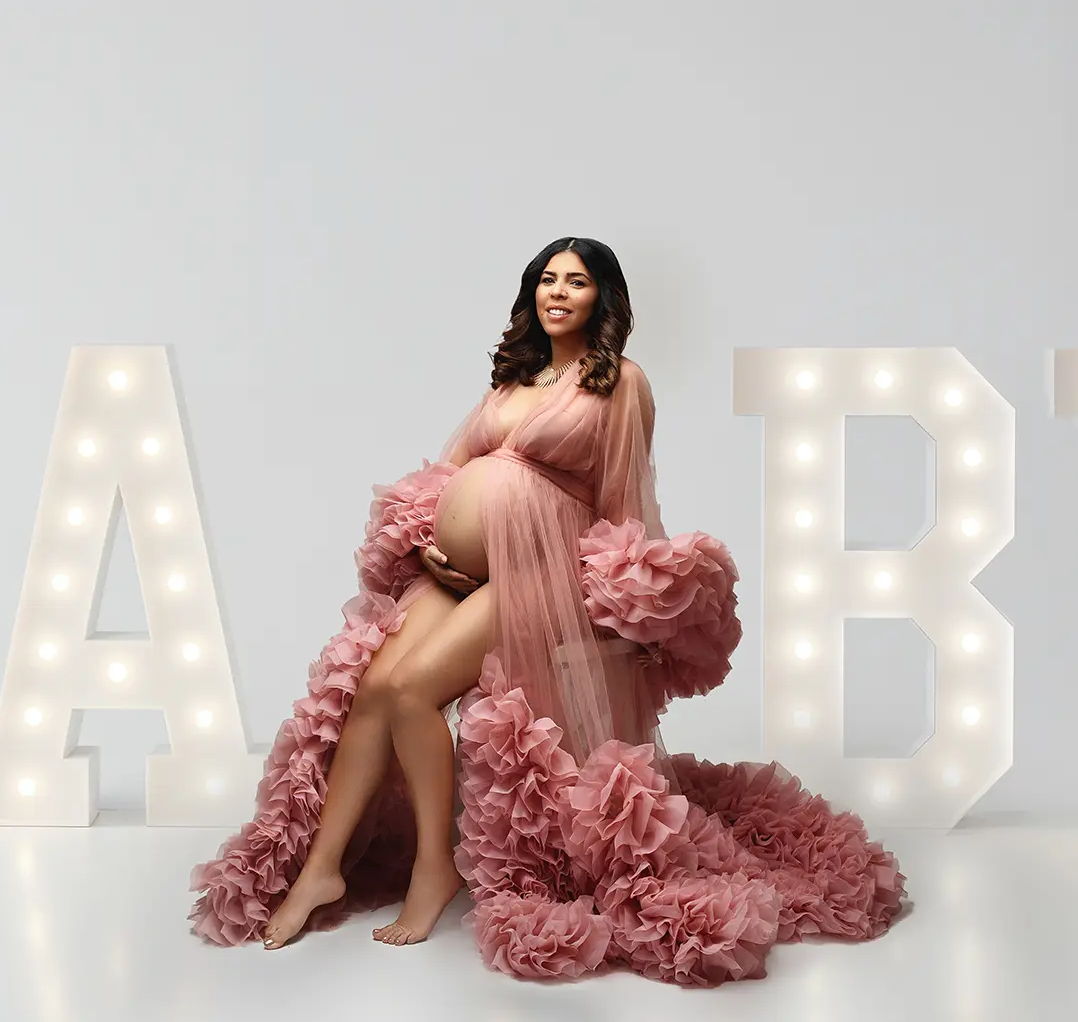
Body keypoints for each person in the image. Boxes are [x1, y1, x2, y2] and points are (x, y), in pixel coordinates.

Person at [191, 238, 905, 984]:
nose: (558, 292)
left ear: (604, 298)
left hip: (541, 571)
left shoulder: (620, 382)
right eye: (548, 279)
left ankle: (436, 868)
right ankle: (323, 869)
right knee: (370, 690)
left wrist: (628, 596)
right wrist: (435, 544)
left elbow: (625, 497)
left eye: (578, 281)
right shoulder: (513, 381)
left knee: (410, 693)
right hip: (466, 568)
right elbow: (450, 466)